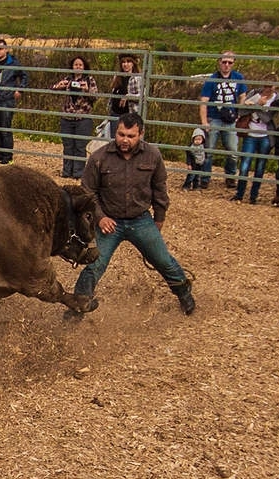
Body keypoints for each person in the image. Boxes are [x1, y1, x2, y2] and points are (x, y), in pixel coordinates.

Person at [67, 113, 195, 319]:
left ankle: (184, 292)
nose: (125, 140)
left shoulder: (153, 156)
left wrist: (159, 218)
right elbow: (87, 192)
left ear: (141, 134)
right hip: (109, 221)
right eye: (121, 134)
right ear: (115, 132)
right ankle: (78, 305)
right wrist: (100, 217)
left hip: (140, 219)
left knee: (163, 260)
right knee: (94, 264)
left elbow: (159, 189)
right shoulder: (99, 158)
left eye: (131, 136)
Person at [198, 51, 247, 189]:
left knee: (232, 151)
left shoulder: (238, 77)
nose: (226, 65)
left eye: (229, 62)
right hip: (214, 118)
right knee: (209, 150)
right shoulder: (212, 79)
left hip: (230, 119)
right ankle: (205, 178)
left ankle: (230, 177)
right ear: (219, 62)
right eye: (224, 62)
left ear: (233, 63)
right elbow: (204, 101)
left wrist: (239, 112)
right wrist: (204, 121)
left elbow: (243, 95)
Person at [231, 77, 278, 204]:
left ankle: (253, 196)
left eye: (271, 86)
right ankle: (239, 194)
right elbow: (241, 110)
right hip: (250, 133)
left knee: (260, 166)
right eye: (266, 86)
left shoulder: (276, 99)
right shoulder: (254, 93)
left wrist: (255, 106)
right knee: (245, 165)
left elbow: (267, 117)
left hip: (265, 136)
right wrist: (256, 105)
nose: (268, 89)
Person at [51, 56, 98, 178]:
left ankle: (78, 173)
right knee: (68, 146)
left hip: (83, 118)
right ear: (72, 67)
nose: (78, 67)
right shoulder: (68, 79)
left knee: (80, 146)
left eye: (80, 65)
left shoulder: (89, 79)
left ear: (84, 67)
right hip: (67, 118)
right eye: (76, 65)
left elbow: (95, 97)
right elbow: (53, 90)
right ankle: (67, 172)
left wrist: (86, 90)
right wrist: (58, 86)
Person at [0, 39, 28, 165]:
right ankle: (0, 153)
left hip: (7, 99)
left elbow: (24, 76)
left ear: (6, 50)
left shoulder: (13, 63)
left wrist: (20, 90)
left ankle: (8, 155)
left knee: (5, 127)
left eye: (1, 49)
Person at [108, 53, 142, 138]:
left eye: (128, 62)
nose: (125, 64)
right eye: (123, 62)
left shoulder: (136, 78)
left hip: (129, 115)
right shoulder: (117, 76)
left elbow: (142, 96)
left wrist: (128, 97)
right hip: (115, 114)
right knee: (114, 139)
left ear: (133, 63)